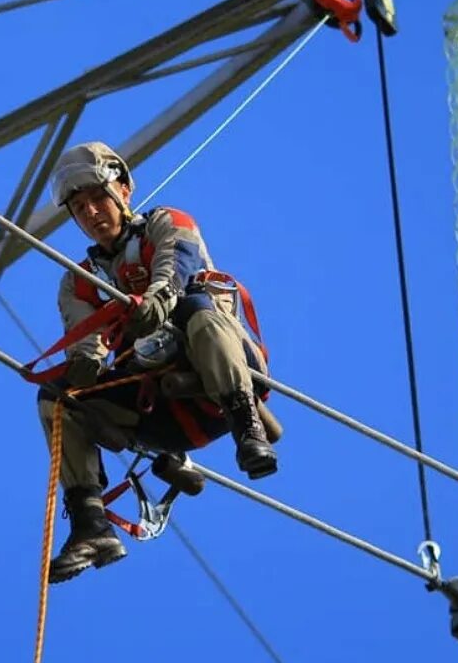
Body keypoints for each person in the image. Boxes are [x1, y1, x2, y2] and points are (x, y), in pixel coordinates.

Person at [38, 141, 278, 584]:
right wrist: (86, 363)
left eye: (97, 200)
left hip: (217, 375)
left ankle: (248, 428)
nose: (91, 214)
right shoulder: (79, 283)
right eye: (79, 208)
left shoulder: (168, 224)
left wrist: (160, 298)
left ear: (123, 191)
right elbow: (85, 336)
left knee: (197, 310)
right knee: (57, 398)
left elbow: (177, 264)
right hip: (160, 411)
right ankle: (91, 525)